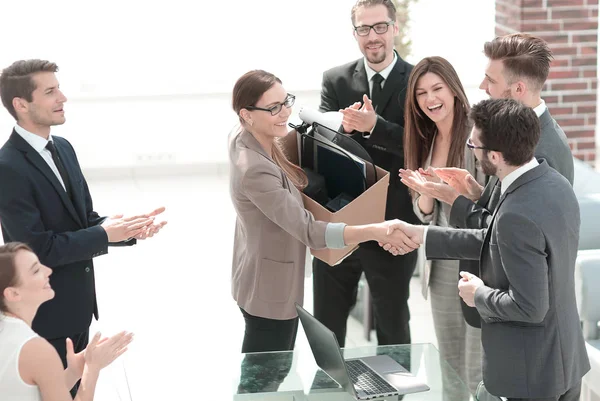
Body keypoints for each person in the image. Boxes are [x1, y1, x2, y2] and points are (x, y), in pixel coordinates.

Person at [384, 98, 590, 400]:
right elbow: (498, 239)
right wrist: (423, 234)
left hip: (530, 375)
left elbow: (529, 307)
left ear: (494, 155)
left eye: (474, 147)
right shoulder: (554, 183)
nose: (472, 152)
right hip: (564, 361)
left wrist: (477, 293)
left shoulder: (515, 213)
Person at [0, 59, 166, 394]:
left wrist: (125, 228)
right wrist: (105, 234)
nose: (62, 97)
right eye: (50, 91)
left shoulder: (62, 147)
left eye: (58, 88)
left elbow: (85, 220)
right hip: (44, 314)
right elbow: (38, 248)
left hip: (77, 308)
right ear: (21, 105)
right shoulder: (7, 167)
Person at [229, 69, 417, 354]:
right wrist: (373, 230)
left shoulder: (245, 136)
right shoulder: (255, 169)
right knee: (266, 380)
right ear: (247, 113)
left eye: (286, 102)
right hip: (269, 289)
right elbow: (309, 231)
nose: (285, 113)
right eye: (273, 108)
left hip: (256, 272)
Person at [399, 33, 574, 328]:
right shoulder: (520, 134)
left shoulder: (542, 151)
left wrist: (454, 200)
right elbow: (511, 213)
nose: (482, 87)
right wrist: (475, 191)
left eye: (490, 80)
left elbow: (511, 235)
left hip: (519, 317)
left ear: (518, 89)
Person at [313, 0, 419, 348]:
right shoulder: (336, 79)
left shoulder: (418, 81)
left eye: (380, 27)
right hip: (343, 218)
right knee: (327, 320)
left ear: (395, 28)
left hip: (395, 220)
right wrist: (341, 130)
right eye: (364, 29)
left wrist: (376, 126)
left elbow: (420, 148)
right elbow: (322, 150)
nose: (372, 37)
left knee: (393, 321)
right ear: (355, 33)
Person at [401, 56, 485, 397]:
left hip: (474, 261)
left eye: (437, 89)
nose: (430, 99)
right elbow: (424, 215)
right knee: (449, 363)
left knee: (474, 365)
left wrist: (450, 194)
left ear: (453, 90)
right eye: (421, 93)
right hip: (440, 263)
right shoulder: (426, 139)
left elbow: (486, 204)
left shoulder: (476, 137)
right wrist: (423, 195)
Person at [0, 242, 134, 401]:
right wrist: (92, 369)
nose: (48, 270)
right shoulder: (36, 349)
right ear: (13, 294)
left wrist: (74, 372)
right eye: (36, 270)